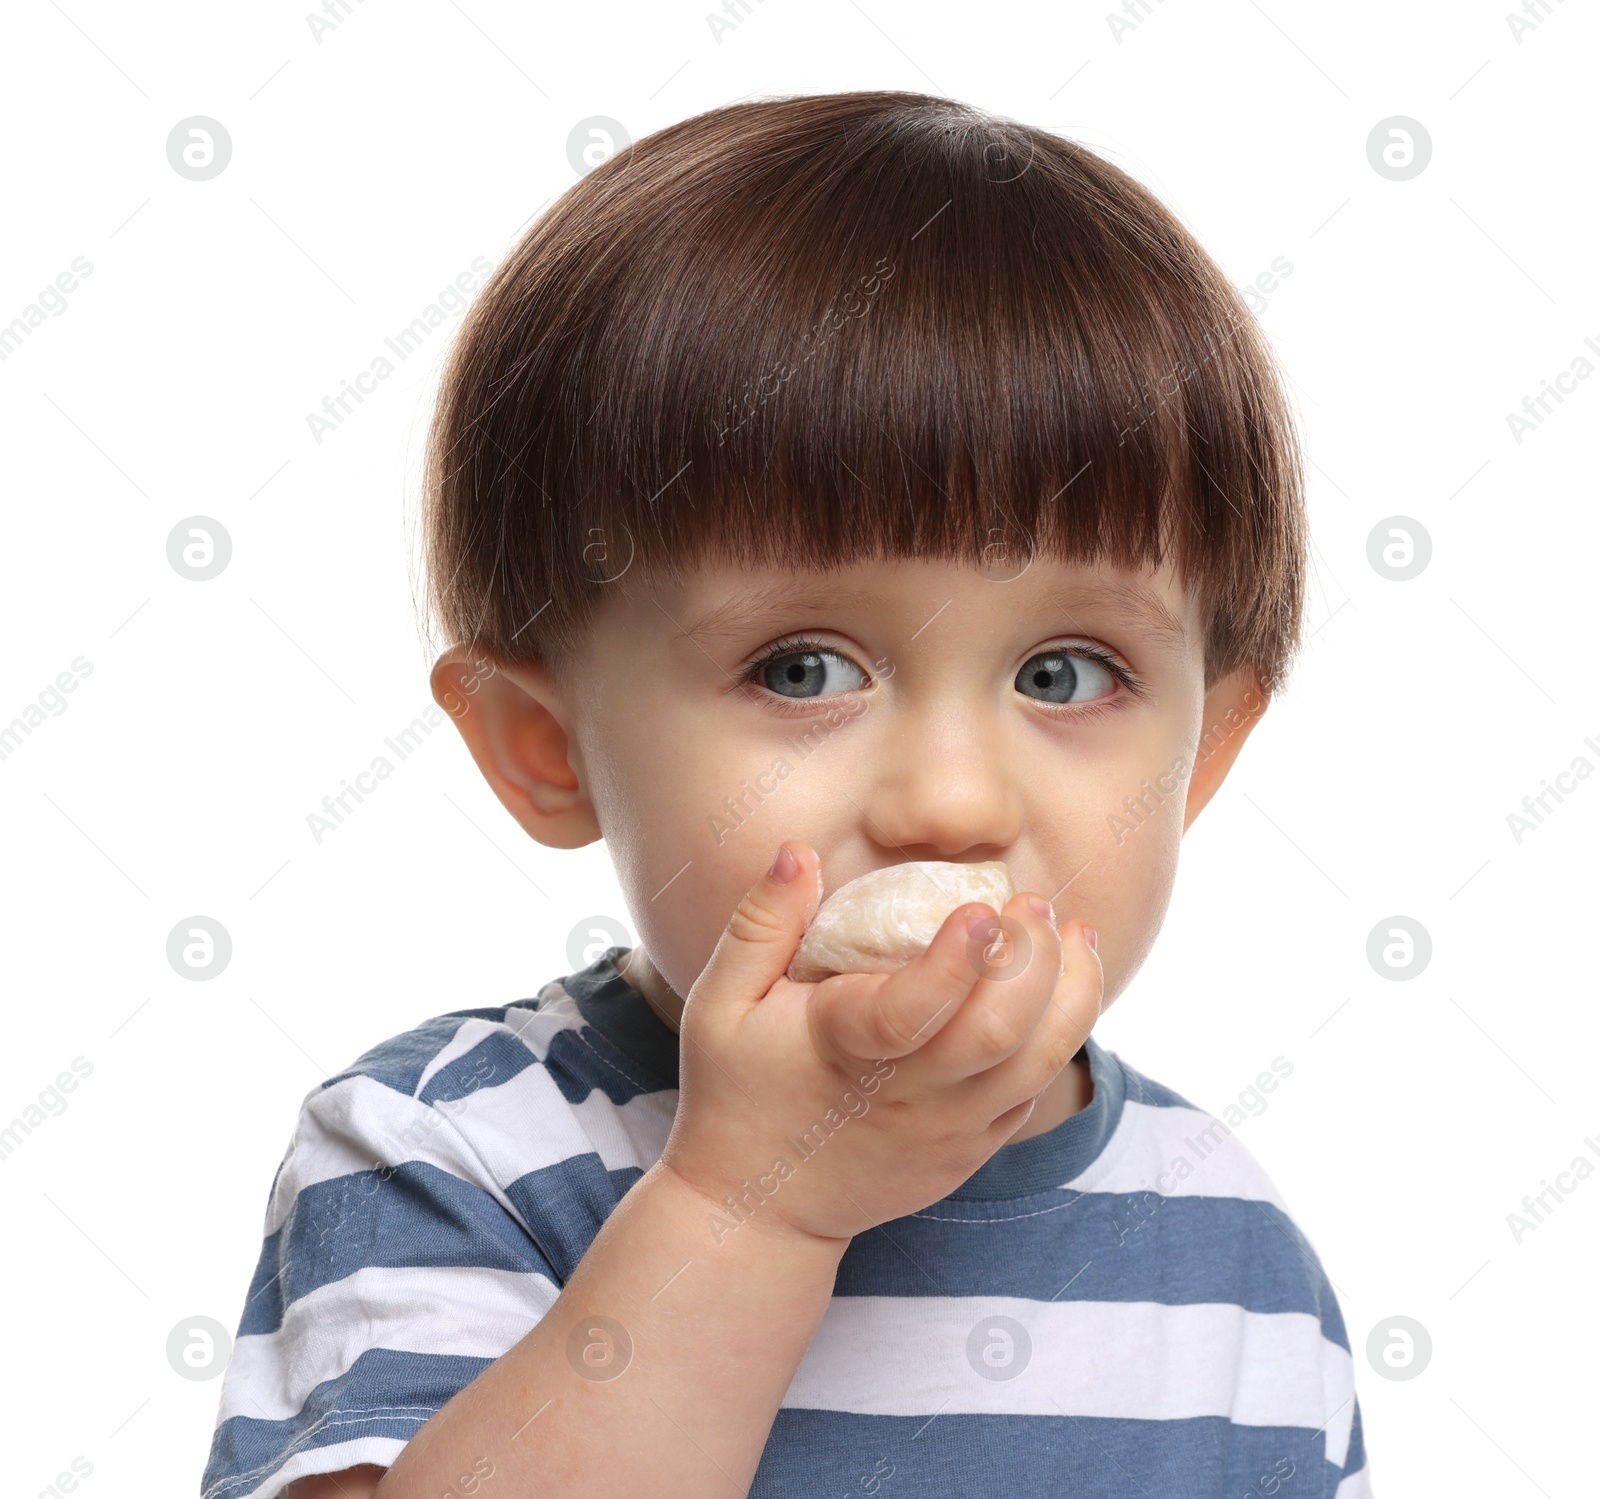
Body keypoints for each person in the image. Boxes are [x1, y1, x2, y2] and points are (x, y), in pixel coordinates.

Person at [201, 89, 1372, 1497]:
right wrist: (746, 1209)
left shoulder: (1230, 1253)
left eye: (1064, 676)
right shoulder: (451, 1155)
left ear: (1208, 755)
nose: (948, 802)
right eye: (804, 668)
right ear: (546, 746)